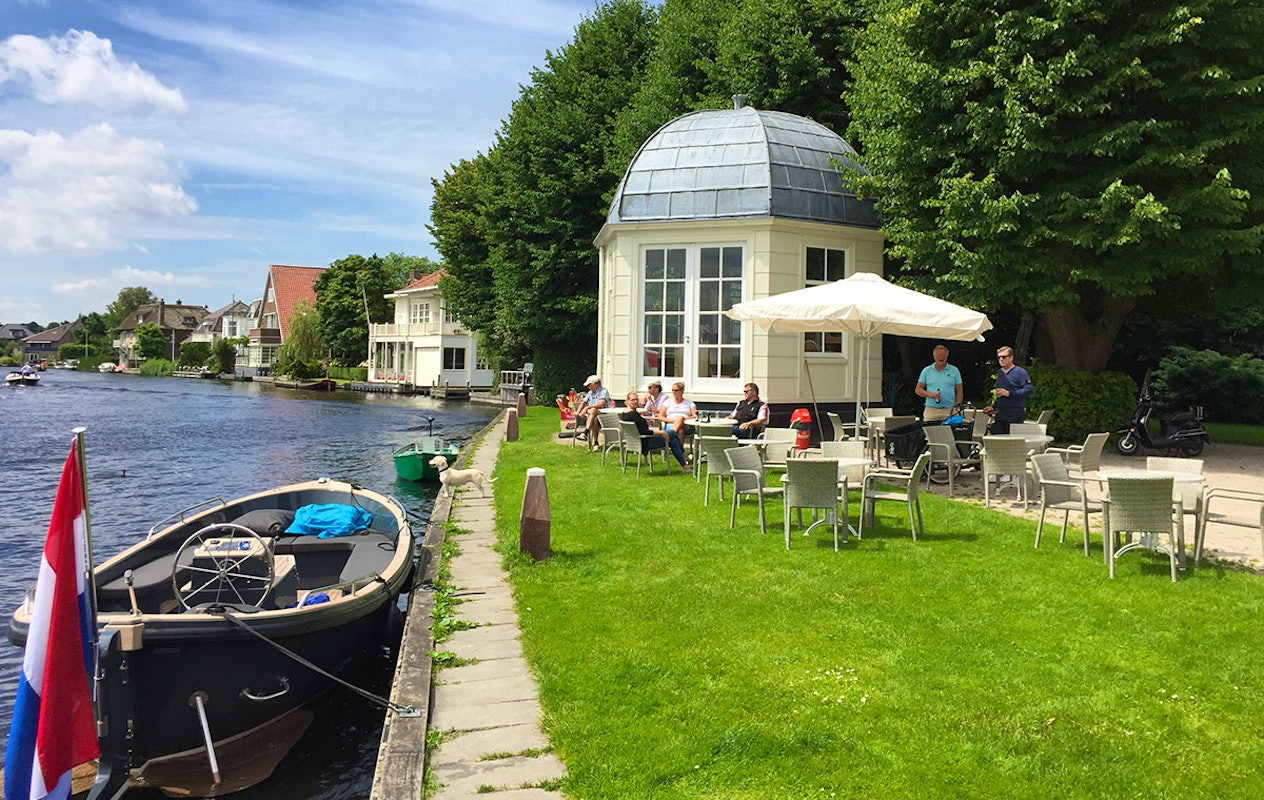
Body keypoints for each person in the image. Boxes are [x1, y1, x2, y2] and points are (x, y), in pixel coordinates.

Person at [621, 392, 691, 473]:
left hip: (636, 442)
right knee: (673, 435)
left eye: (636, 399)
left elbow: (641, 429)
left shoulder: (624, 414)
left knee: (673, 438)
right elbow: (646, 432)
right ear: (627, 401)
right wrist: (662, 433)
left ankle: (685, 466)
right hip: (646, 442)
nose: (635, 402)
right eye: (633, 400)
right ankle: (684, 460)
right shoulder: (634, 414)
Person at [989, 346, 1033, 434]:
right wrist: (993, 407)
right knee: (996, 438)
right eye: (999, 357)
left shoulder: (1020, 372)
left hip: (1015, 413)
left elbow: (1029, 390)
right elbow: (1001, 394)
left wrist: (1009, 393)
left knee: (1012, 443)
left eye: (1004, 357)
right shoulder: (1000, 372)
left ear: (1011, 357)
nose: (1001, 359)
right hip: (1001, 413)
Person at [916, 344, 963, 423]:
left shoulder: (954, 370)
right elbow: (918, 389)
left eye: (943, 355)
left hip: (949, 410)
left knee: (950, 433)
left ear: (947, 356)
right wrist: (931, 395)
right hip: (931, 410)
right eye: (939, 355)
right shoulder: (927, 371)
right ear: (934, 356)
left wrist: (957, 407)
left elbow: (959, 390)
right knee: (930, 433)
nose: (941, 357)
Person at [574, 375, 610, 450]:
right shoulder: (590, 392)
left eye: (589, 385)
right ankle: (596, 443)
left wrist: (587, 407)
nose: (588, 387)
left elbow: (601, 404)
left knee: (593, 410)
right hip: (593, 416)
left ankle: (586, 432)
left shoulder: (603, 391)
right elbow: (583, 402)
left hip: (604, 414)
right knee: (594, 419)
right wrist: (578, 411)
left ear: (595, 384)